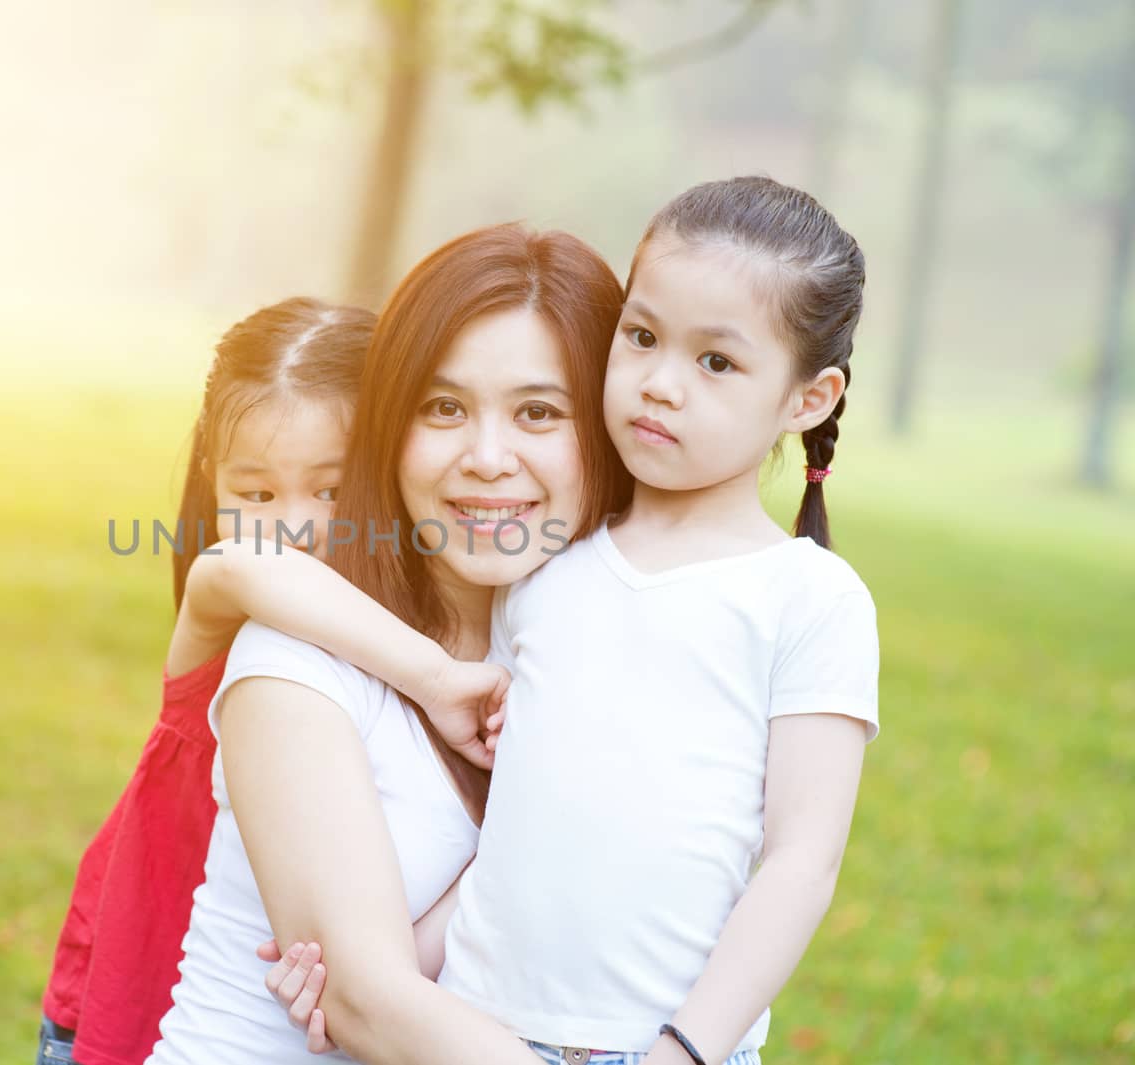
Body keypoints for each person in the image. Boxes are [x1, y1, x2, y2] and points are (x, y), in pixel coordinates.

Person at [258, 176, 881, 1065]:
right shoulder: (546, 569)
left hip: (660, 1047)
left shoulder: (808, 599)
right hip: (473, 1032)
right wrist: (369, 977)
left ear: (807, 399)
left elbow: (800, 865)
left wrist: (686, 1050)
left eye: (716, 362)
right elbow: (511, 838)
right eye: (642, 336)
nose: (659, 384)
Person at [145, 222, 629, 1065]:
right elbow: (368, 1007)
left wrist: (391, 971)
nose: (486, 457)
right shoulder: (293, 662)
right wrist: (375, 986)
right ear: (388, 429)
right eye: (443, 407)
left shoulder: (576, 654)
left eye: (539, 411)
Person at [36, 297, 377, 1065]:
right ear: (210, 481)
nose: (292, 526)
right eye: (256, 494)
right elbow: (245, 565)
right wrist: (440, 674)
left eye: (331, 489)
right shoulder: (220, 598)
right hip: (133, 997)